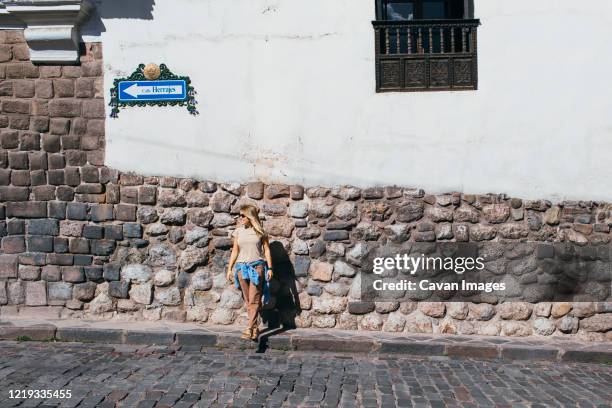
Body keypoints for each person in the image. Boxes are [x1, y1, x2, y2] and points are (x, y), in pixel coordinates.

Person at [226, 205, 273, 340]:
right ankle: (255, 329)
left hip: (257, 268)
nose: (240, 218)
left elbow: (267, 250)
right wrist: (230, 269)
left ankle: (249, 328)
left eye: (242, 216)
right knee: (249, 301)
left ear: (250, 217)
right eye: (240, 216)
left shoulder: (261, 232)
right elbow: (235, 251)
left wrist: (270, 268)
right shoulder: (238, 232)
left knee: (254, 299)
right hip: (241, 269)